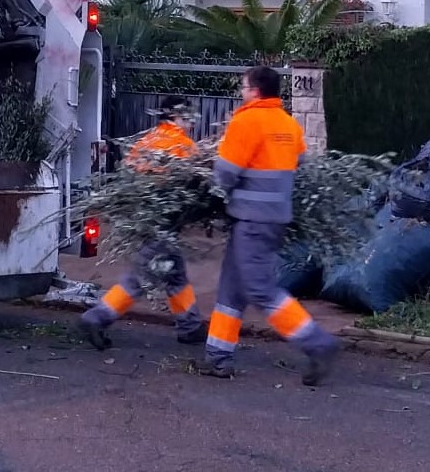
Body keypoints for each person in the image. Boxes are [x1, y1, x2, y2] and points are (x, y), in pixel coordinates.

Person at [201, 65, 340, 385]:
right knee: (232, 287)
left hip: (252, 220)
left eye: (243, 87)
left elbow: (225, 174)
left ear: (255, 90)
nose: (241, 92)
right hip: (273, 220)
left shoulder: (247, 121)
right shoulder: (288, 123)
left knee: (259, 288)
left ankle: (317, 343)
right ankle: (218, 356)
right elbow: (300, 163)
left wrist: (209, 192)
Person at [79, 95, 207, 349]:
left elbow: (128, 176)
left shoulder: (147, 141)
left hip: (144, 223)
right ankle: (97, 317)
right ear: (175, 116)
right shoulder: (183, 146)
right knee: (140, 279)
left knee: (175, 274)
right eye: (188, 117)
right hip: (163, 225)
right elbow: (196, 186)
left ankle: (190, 325)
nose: (192, 122)